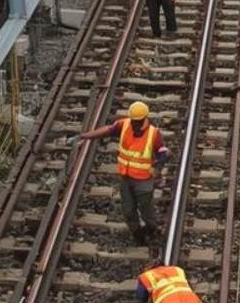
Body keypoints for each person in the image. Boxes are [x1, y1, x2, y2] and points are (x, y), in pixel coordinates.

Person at [71, 102, 169, 243]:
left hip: (143, 180)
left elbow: (163, 152)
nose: (134, 123)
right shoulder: (124, 125)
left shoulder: (153, 134)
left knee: (146, 210)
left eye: (137, 121)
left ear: (144, 119)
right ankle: (138, 235)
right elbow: (109, 129)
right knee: (128, 210)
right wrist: (86, 136)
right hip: (126, 178)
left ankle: (152, 229)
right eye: (133, 120)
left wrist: (156, 169)